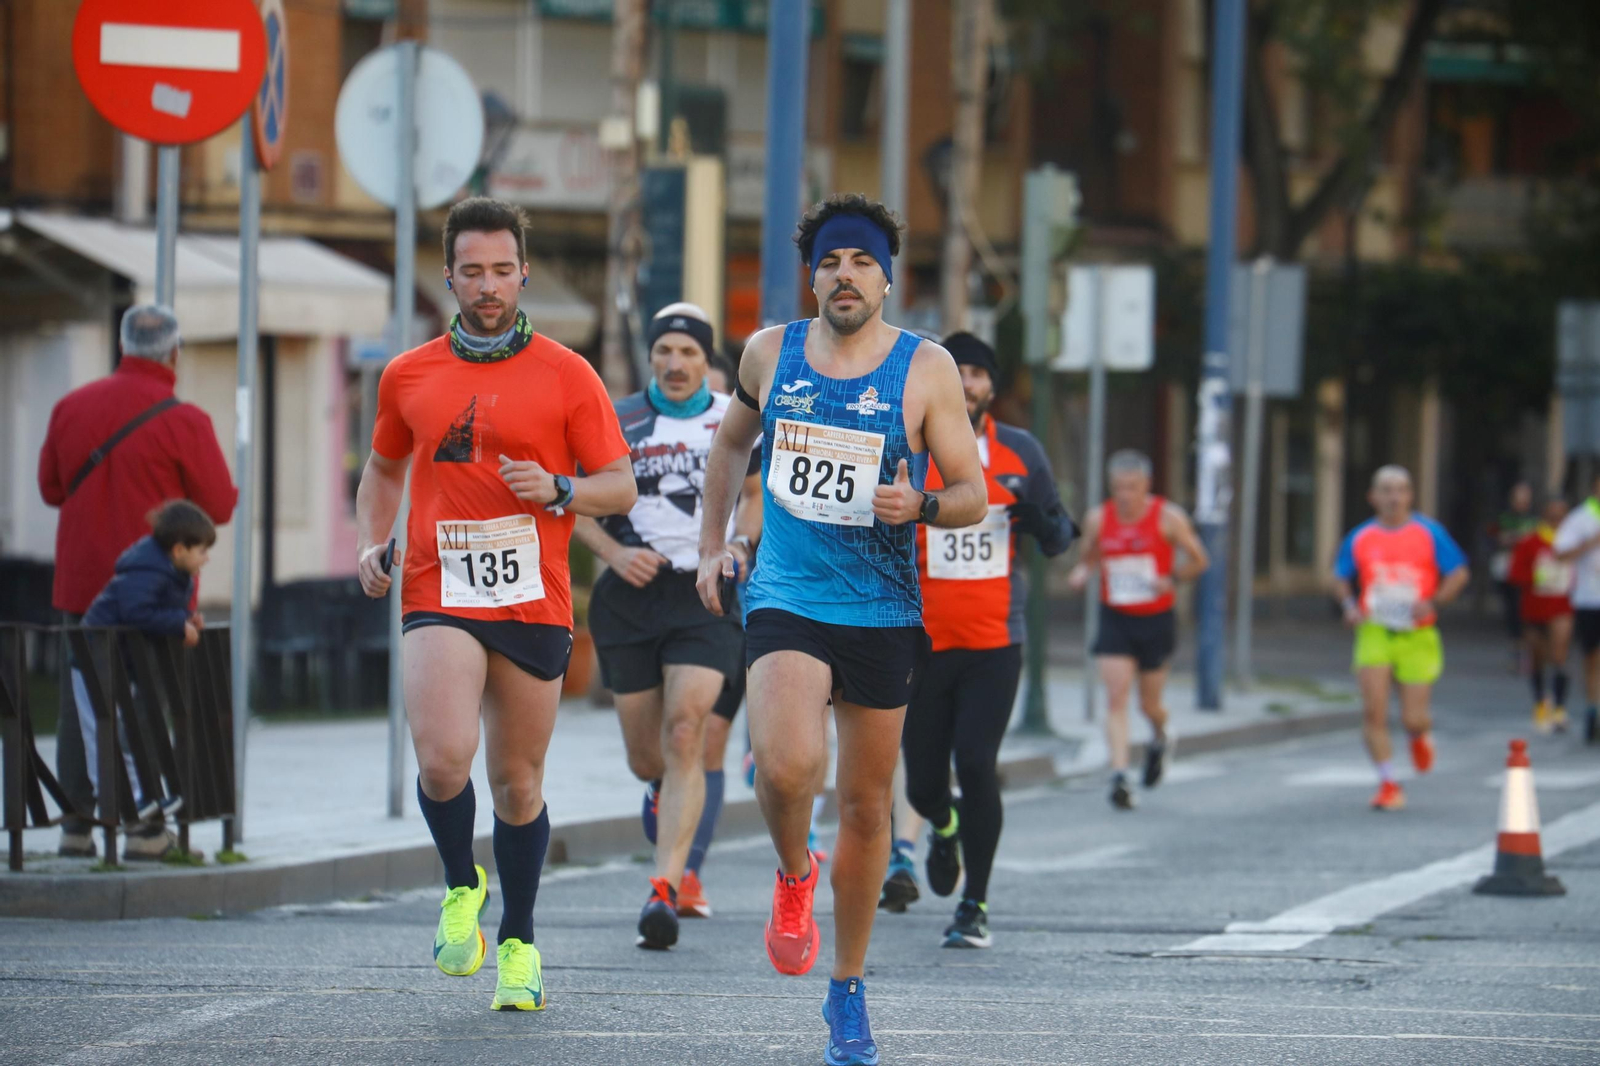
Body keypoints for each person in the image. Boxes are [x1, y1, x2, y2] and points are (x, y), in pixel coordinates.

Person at [695, 193, 987, 1066]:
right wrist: (714, 546)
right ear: (812, 275)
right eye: (830, 262)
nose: (844, 276)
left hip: (884, 608)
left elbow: (972, 494)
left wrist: (923, 503)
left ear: (887, 279)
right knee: (786, 766)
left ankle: (848, 990)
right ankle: (794, 874)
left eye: (861, 262)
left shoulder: (926, 369)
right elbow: (728, 448)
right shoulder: (768, 353)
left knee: (864, 807)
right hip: (786, 592)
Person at [356, 197, 635, 1012]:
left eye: (501, 270)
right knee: (443, 758)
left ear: (522, 274)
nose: (487, 286)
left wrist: (560, 488)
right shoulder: (406, 373)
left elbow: (619, 484)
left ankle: (518, 940)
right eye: (471, 271)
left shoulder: (567, 372)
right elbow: (382, 467)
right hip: (438, 585)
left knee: (517, 784)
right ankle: (458, 883)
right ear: (448, 276)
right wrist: (374, 542)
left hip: (531, 595)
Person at [573, 303, 761, 948]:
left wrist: (736, 548)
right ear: (651, 357)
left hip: (702, 593)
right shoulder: (616, 417)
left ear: (707, 362)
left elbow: (757, 496)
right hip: (629, 597)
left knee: (688, 731)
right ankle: (660, 791)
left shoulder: (731, 419)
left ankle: (665, 888)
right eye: (665, 352)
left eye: (689, 354)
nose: (676, 364)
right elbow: (570, 501)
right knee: (646, 755)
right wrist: (615, 553)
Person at [37, 303, 237, 860]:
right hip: (155, 598)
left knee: (81, 704)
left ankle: (76, 825)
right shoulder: (185, 421)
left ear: (124, 348)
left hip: (82, 589)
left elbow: (51, 490)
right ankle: (144, 831)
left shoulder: (71, 408)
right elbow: (218, 506)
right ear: (174, 354)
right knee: (148, 702)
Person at [895, 331, 1076, 948]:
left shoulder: (1020, 452)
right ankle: (941, 827)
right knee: (921, 783)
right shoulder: (913, 446)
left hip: (996, 640)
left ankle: (974, 903)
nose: (967, 383)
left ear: (991, 387)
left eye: (977, 373)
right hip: (920, 641)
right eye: (957, 371)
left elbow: (1059, 534)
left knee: (976, 762)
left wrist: (1042, 521)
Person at [72, 501, 215, 855]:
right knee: (101, 740)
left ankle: (139, 810)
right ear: (179, 549)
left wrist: (186, 617)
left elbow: (157, 607)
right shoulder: (148, 571)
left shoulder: (168, 571)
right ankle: (122, 813)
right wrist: (175, 623)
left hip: (119, 665)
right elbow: (138, 611)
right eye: (202, 551)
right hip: (94, 661)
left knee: (126, 734)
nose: (206, 559)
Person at [1068, 450, 1209, 810]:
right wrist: (1083, 572)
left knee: (1149, 704)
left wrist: (1173, 578)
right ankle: (1119, 774)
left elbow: (1199, 560)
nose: (1125, 495)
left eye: (1132, 487)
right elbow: (1089, 554)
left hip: (1155, 619)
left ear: (1146, 485)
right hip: (1115, 615)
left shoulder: (1169, 518)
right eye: (1118, 488)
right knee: (1116, 696)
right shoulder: (1100, 518)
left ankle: (1162, 736)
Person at [1333, 465, 1469, 811]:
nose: (1394, 497)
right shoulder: (1361, 537)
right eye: (1386, 490)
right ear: (1373, 497)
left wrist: (1435, 601)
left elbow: (1458, 573)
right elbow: (1339, 576)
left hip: (1417, 633)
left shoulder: (1428, 532)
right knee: (1373, 713)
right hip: (1375, 630)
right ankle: (1389, 783)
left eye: (1401, 489)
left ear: (1410, 495)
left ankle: (1419, 733)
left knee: (1412, 717)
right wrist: (1349, 606)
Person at [1508, 497, 1575, 734]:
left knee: (1558, 655)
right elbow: (1515, 573)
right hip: (1534, 608)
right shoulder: (1530, 542)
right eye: (1552, 515)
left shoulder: (1572, 543)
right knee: (1536, 656)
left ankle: (1559, 707)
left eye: (1561, 515)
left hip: (1561, 606)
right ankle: (1540, 703)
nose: (1556, 520)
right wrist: (1538, 577)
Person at [1553, 472, 1600, 744]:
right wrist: (1591, 543)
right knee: (1592, 658)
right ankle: (1593, 708)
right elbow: (1560, 554)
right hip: (1589, 599)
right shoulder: (1580, 519)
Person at [1491, 482, 1537, 673]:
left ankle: (1527, 652)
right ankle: (1516, 650)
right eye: (1518, 498)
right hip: (1507, 571)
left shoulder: (1534, 519)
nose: (1522, 503)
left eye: (1525, 499)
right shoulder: (1504, 517)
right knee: (1512, 612)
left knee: (1527, 611)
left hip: (1529, 572)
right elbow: (1497, 538)